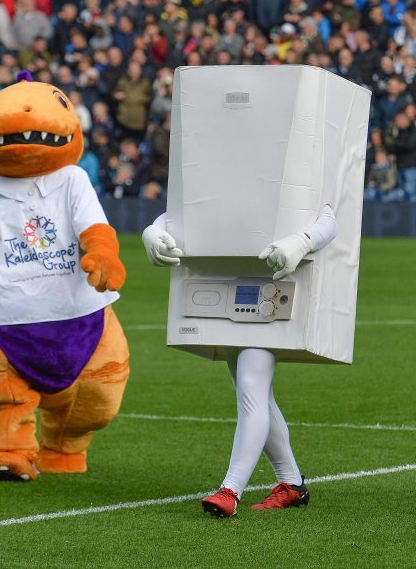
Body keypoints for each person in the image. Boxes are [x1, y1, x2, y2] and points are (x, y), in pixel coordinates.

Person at [142, 206, 339, 517]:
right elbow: (192, 204)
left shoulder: (297, 158)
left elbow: (328, 214)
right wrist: (153, 230)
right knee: (251, 387)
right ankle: (291, 483)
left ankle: (230, 490)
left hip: (277, 278)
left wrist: (303, 240)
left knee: (250, 384)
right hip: (229, 279)